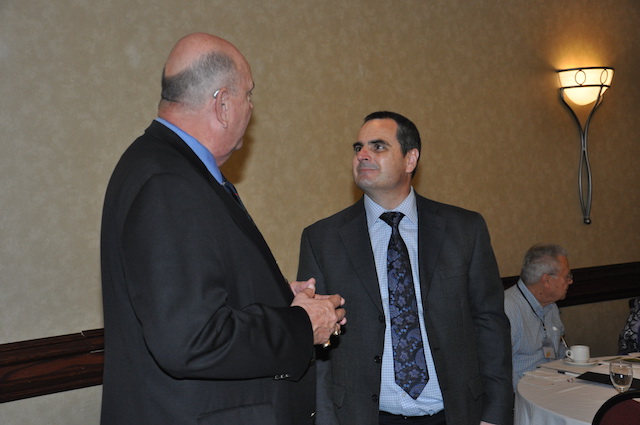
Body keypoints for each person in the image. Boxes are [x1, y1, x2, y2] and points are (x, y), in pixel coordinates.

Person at [100, 33, 346, 425]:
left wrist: (277, 294)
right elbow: (190, 339)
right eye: (249, 95)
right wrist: (301, 325)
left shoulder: (163, 167)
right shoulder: (169, 183)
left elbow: (189, 295)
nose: (252, 107)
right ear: (223, 105)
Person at [297, 111, 513, 425]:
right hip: (365, 417)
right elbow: (318, 344)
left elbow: (490, 324)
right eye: (358, 148)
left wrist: (494, 414)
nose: (362, 155)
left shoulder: (464, 229)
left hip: (456, 414)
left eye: (378, 146)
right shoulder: (322, 239)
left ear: (410, 159)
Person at [504, 243, 573, 390]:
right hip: (523, 394)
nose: (570, 281)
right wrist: (533, 393)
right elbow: (499, 368)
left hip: (553, 386)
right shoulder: (508, 309)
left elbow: (558, 349)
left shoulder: (551, 306)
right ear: (546, 280)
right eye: (567, 276)